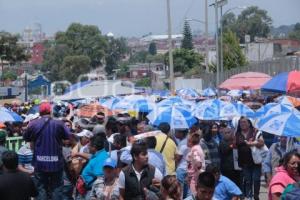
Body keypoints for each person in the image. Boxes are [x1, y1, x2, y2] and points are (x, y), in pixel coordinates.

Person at [23, 102, 71, 200]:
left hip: (39, 163)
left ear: (40, 112)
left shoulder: (33, 124)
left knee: (41, 189)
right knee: (57, 189)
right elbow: (68, 137)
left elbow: (26, 137)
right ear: (50, 111)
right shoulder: (59, 124)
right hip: (56, 163)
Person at [235, 116, 264, 200]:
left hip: (255, 161)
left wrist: (253, 144)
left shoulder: (255, 131)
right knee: (247, 181)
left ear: (249, 123)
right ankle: (249, 197)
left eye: (244, 122)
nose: (242, 124)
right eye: (240, 122)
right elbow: (235, 144)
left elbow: (262, 143)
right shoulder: (237, 133)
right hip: (244, 162)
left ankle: (256, 196)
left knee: (256, 180)